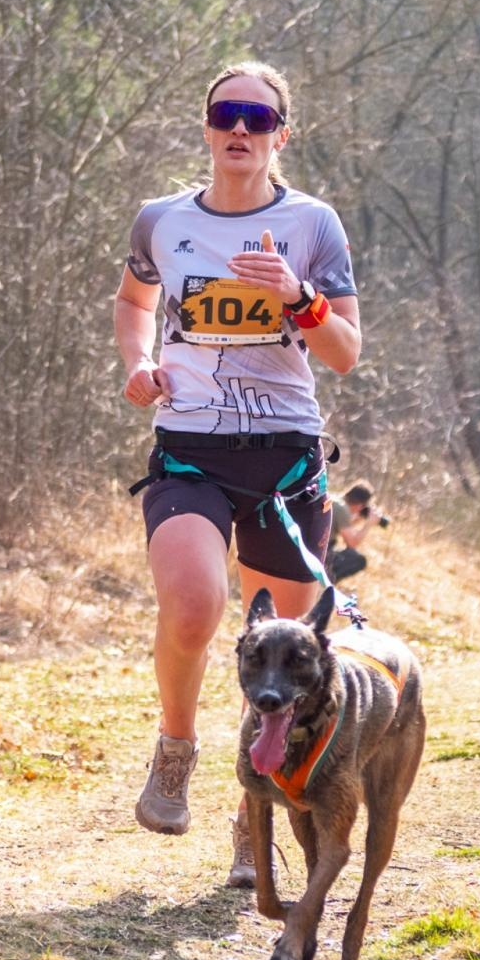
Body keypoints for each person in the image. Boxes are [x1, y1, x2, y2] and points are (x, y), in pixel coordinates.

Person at [113, 61, 361, 888]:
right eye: (227, 115)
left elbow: (345, 352)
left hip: (286, 456)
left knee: (282, 659)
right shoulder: (162, 220)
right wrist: (137, 361)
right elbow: (134, 301)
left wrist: (298, 295)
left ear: (281, 134)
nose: (241, 130)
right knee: (194, 604)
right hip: (190, 448)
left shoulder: (312, 224)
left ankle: (253, 815)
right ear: (208, 127)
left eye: (258, 117)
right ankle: (175, 749)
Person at [326, 481, 383, 584]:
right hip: (320, 553)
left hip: (312, 548)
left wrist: (358, 519)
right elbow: (352, 543)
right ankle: (325, 583)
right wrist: (368, 524)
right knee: (358, 559)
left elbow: (342, 527)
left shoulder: (336, 501)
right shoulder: (342, 509)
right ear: (361, 506)